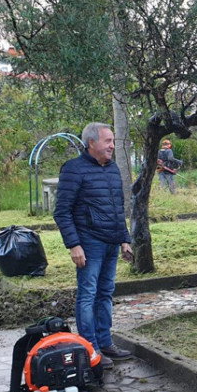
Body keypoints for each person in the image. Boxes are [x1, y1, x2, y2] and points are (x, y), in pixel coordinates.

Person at [54, 123, 134, 366]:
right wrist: (74, 245)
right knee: (88, 294)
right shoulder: (74, 170)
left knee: (105, 293)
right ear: (91, 143)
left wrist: (124, 239)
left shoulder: (112, 169)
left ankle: (104, 342)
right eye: (107, 141)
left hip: (111, 243)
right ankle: (89, 348)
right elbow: (62, 211)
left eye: (112, 141)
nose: (112, 146)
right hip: (89, 244)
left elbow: (117, 208)